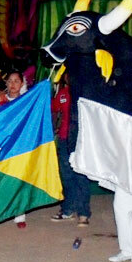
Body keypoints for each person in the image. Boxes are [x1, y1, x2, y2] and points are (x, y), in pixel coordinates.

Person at [50, 72, 91, 227]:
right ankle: (68, 209)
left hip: (80, 140)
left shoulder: (85, 94)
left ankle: (83, 213)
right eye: (68, 74)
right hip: (64, 139)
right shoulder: (62, 94)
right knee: (66, 176)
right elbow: (53, 110)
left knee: (81, 176)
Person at [0, 71, 28, 228]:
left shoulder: (27, 100)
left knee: (20, 177)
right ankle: (2, 209)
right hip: (4, 145)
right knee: (3, 176)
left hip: (21, 145)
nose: (13, 84)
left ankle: (20, 213)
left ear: (22, 84)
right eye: (10, 81)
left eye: (16, 81)